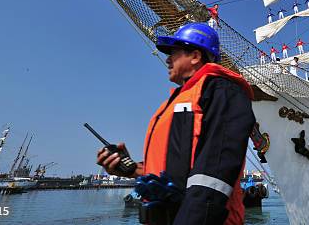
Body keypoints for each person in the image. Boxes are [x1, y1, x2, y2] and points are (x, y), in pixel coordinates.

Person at [96, 23, 256, 225]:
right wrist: (131, 169)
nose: (168, 59)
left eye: (174, 52)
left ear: (196, 56)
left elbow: (214, 176)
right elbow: (175, 173)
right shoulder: (178, 101)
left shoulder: (221, 90)